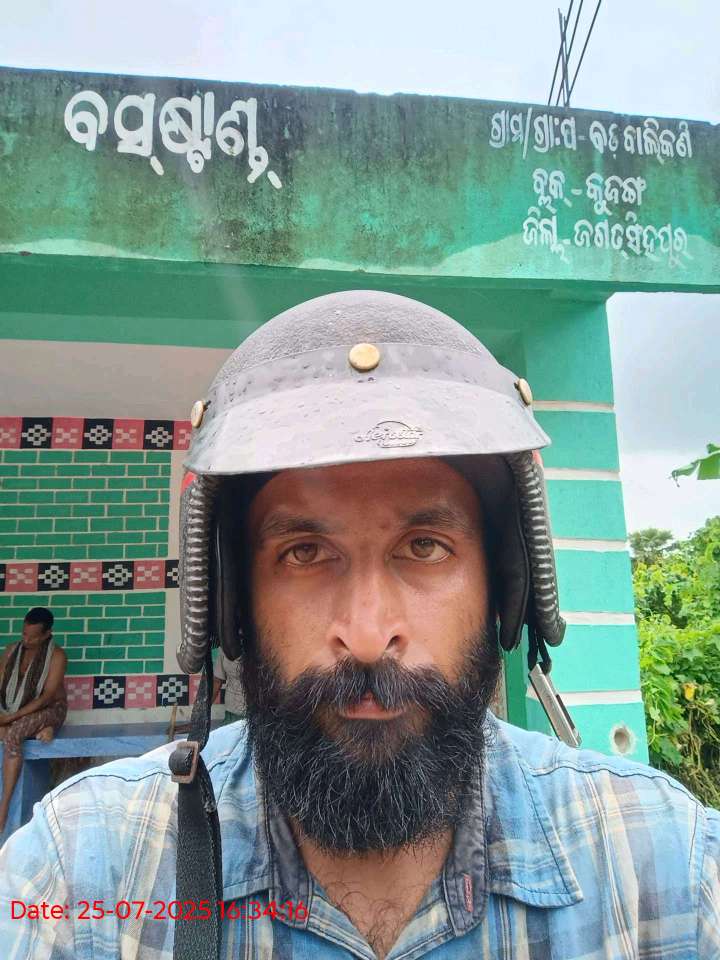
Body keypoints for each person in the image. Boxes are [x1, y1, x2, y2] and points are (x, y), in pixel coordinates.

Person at [0, 291, 718, 960]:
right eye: (305, 553)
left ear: (505, 587)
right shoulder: (81, 873)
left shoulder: (665, 868)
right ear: (233, 603)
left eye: (425, 547)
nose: (369, 635)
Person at [0, 607, 67, 835]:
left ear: (47, 634)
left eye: (33, 636)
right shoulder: (11, 651)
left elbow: (47, 697)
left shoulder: (57, 656)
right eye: (24, 634)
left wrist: (11, 718)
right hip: (14, 710)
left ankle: (3, 808)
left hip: (51, 709)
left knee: (14, 733)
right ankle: (44, 729)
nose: (26, 640)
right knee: (8, 730)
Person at [211, 650, 245, 724]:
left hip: (258, 713)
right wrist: (205, 708)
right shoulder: (224, 648)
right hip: (232, 713)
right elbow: (217, 681)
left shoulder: (261, 646)